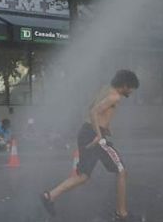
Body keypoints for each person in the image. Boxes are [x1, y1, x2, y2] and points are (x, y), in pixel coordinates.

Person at [40, 69, 139, 222]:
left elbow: (92, 108)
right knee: (121, 171)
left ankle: (50, 196)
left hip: (86, 132)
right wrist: (99, 134)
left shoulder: (105, 89)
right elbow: (94, 111)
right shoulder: (114, 96)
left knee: (83, 176)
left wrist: (104, 126)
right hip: (94, 136)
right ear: (125, 85)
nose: (132, 91)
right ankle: (122, 213)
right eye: (131, 88)